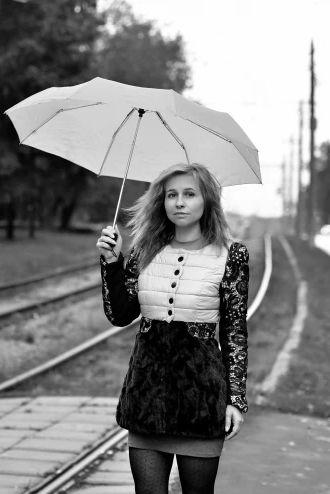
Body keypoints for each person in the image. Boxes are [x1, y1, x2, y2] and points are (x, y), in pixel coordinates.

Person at [95, 163, 248, 494]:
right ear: (161, 202)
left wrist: (235, 398)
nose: (179, 202)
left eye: (189, 194)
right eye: (171, 195)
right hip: (147, 397)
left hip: (201, 402)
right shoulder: (144, 252)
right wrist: (111, 264)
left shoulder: (231, 255)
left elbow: (234, 332)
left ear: (207, 200)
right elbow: (120, 315)